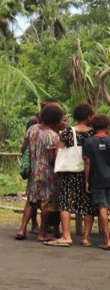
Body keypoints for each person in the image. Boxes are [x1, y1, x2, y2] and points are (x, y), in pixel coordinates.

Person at [15, 104, 64, 242]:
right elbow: (51, 158)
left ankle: (22, 229)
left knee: (31, 201)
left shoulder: (32, 129)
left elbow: (24, 147)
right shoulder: (52, 136)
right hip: (47, 174)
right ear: (56, 120)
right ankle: (42, 233)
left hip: (33, 171)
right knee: (46, 204)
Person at [56, 103, 95, 246]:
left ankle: (66, 235)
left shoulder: (67, 132)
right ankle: (86, 238)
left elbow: (59, 150)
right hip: (89, 173)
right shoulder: (93, 133)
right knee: (88, 204)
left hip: (69, 172)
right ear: (89, 116)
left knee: (66, 202)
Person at [82, 114, 110, 249]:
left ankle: (107, 240)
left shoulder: (89, 142)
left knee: (102, 208)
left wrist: (86, 181)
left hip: (97, 179)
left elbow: (87, 162)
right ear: (107, 126)